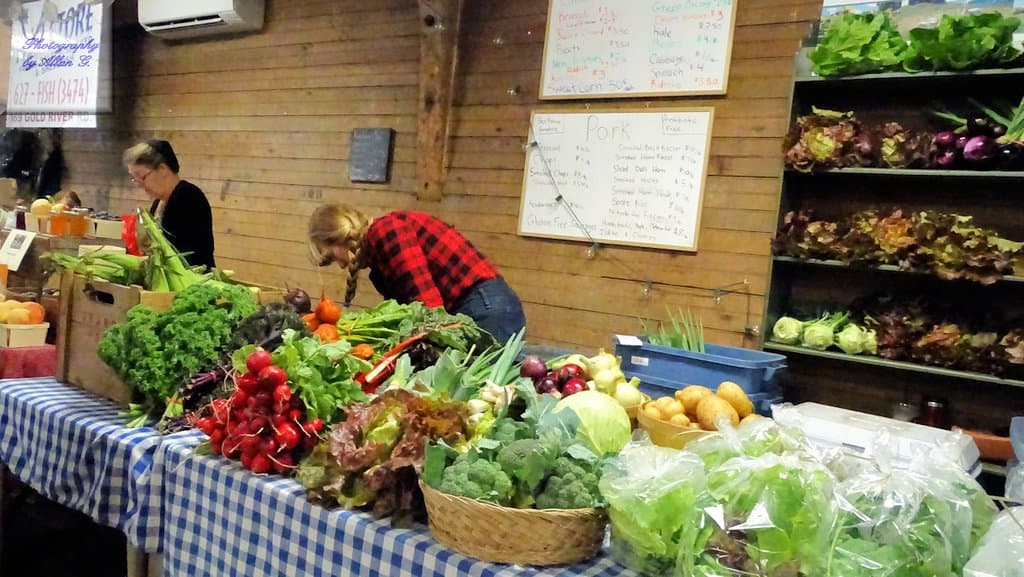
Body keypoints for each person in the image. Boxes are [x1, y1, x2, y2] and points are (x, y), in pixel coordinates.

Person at [308, 204, 526, 343]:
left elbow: (427, 305)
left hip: (485, 308)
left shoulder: (387, 231)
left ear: (339, 237)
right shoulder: (378, 253)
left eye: (333, 257)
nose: (340, 266)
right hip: (479, 305)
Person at [123, 140, 215, 270]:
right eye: (134, 178)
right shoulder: (158, 202)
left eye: (142, 177)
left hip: (192, 276)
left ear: (162, 169)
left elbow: (187, 254)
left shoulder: (187, 196)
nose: (140, 185)